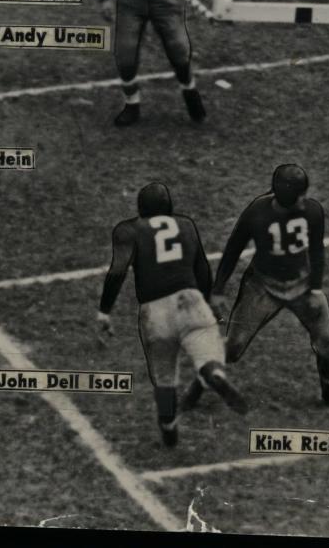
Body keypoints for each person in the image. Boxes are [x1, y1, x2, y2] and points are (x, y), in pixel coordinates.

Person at [187, 164, 329, 413]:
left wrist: (316, 289)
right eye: (300, 194)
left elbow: (317, 251)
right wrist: (218, 290)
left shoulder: (313, 212)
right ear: (288, 197)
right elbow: (233, 249)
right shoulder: (257, 213)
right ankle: (197, 387)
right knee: (232, 349)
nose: (305, 199)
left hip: (302, 283)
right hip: (262, 286)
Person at [96, 182, 247, 445]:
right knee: (208, 352)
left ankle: (169, 429)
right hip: (190, 300)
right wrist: (209, 301)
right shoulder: (186, 225)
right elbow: (201, 267)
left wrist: (104, 311)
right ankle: (214, 374)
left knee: (164, 378)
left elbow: (117, 272)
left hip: (155, 313)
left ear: (140, 209)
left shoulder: (128, 230)